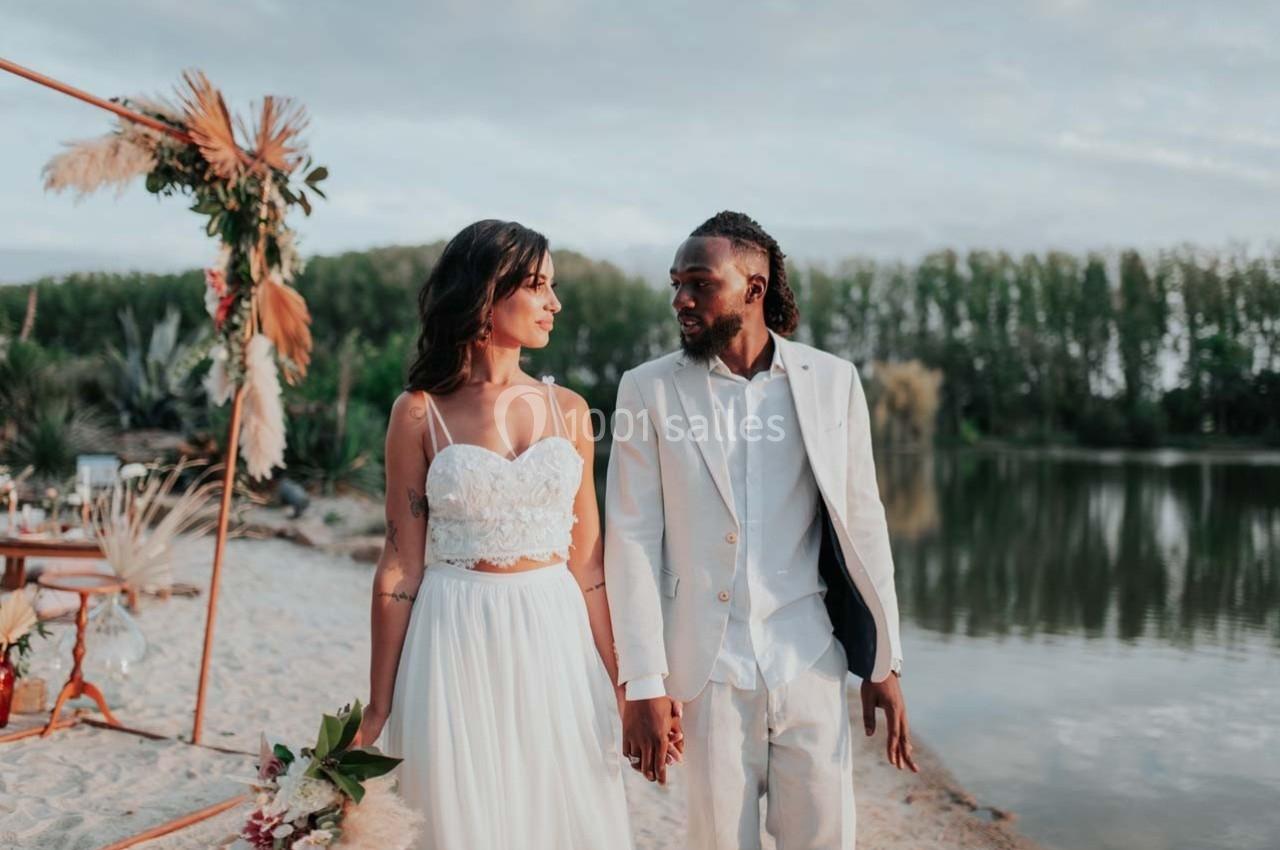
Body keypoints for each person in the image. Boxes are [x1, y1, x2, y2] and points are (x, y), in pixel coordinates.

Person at [605, 210, 917, 849]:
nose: (681, 300)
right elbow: (631, 538)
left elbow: (863, 520)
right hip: (707, 672)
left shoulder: (834, 382)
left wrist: (885, 661)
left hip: (811, 661)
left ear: (754, 286)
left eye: (699, 283)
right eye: (675, 284)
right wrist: (643, 682)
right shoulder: (647, 390)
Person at [356, 219, 635, 849]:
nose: (554, 304)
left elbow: (588, 565)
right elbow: (400, 564)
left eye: (552, 287)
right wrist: (378, 705)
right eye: (538, 286)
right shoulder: (418, 411)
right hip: (453, 635)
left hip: (555, 637)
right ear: (486, 294)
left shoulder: (569, 411)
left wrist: (626, 686)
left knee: (560, 814)